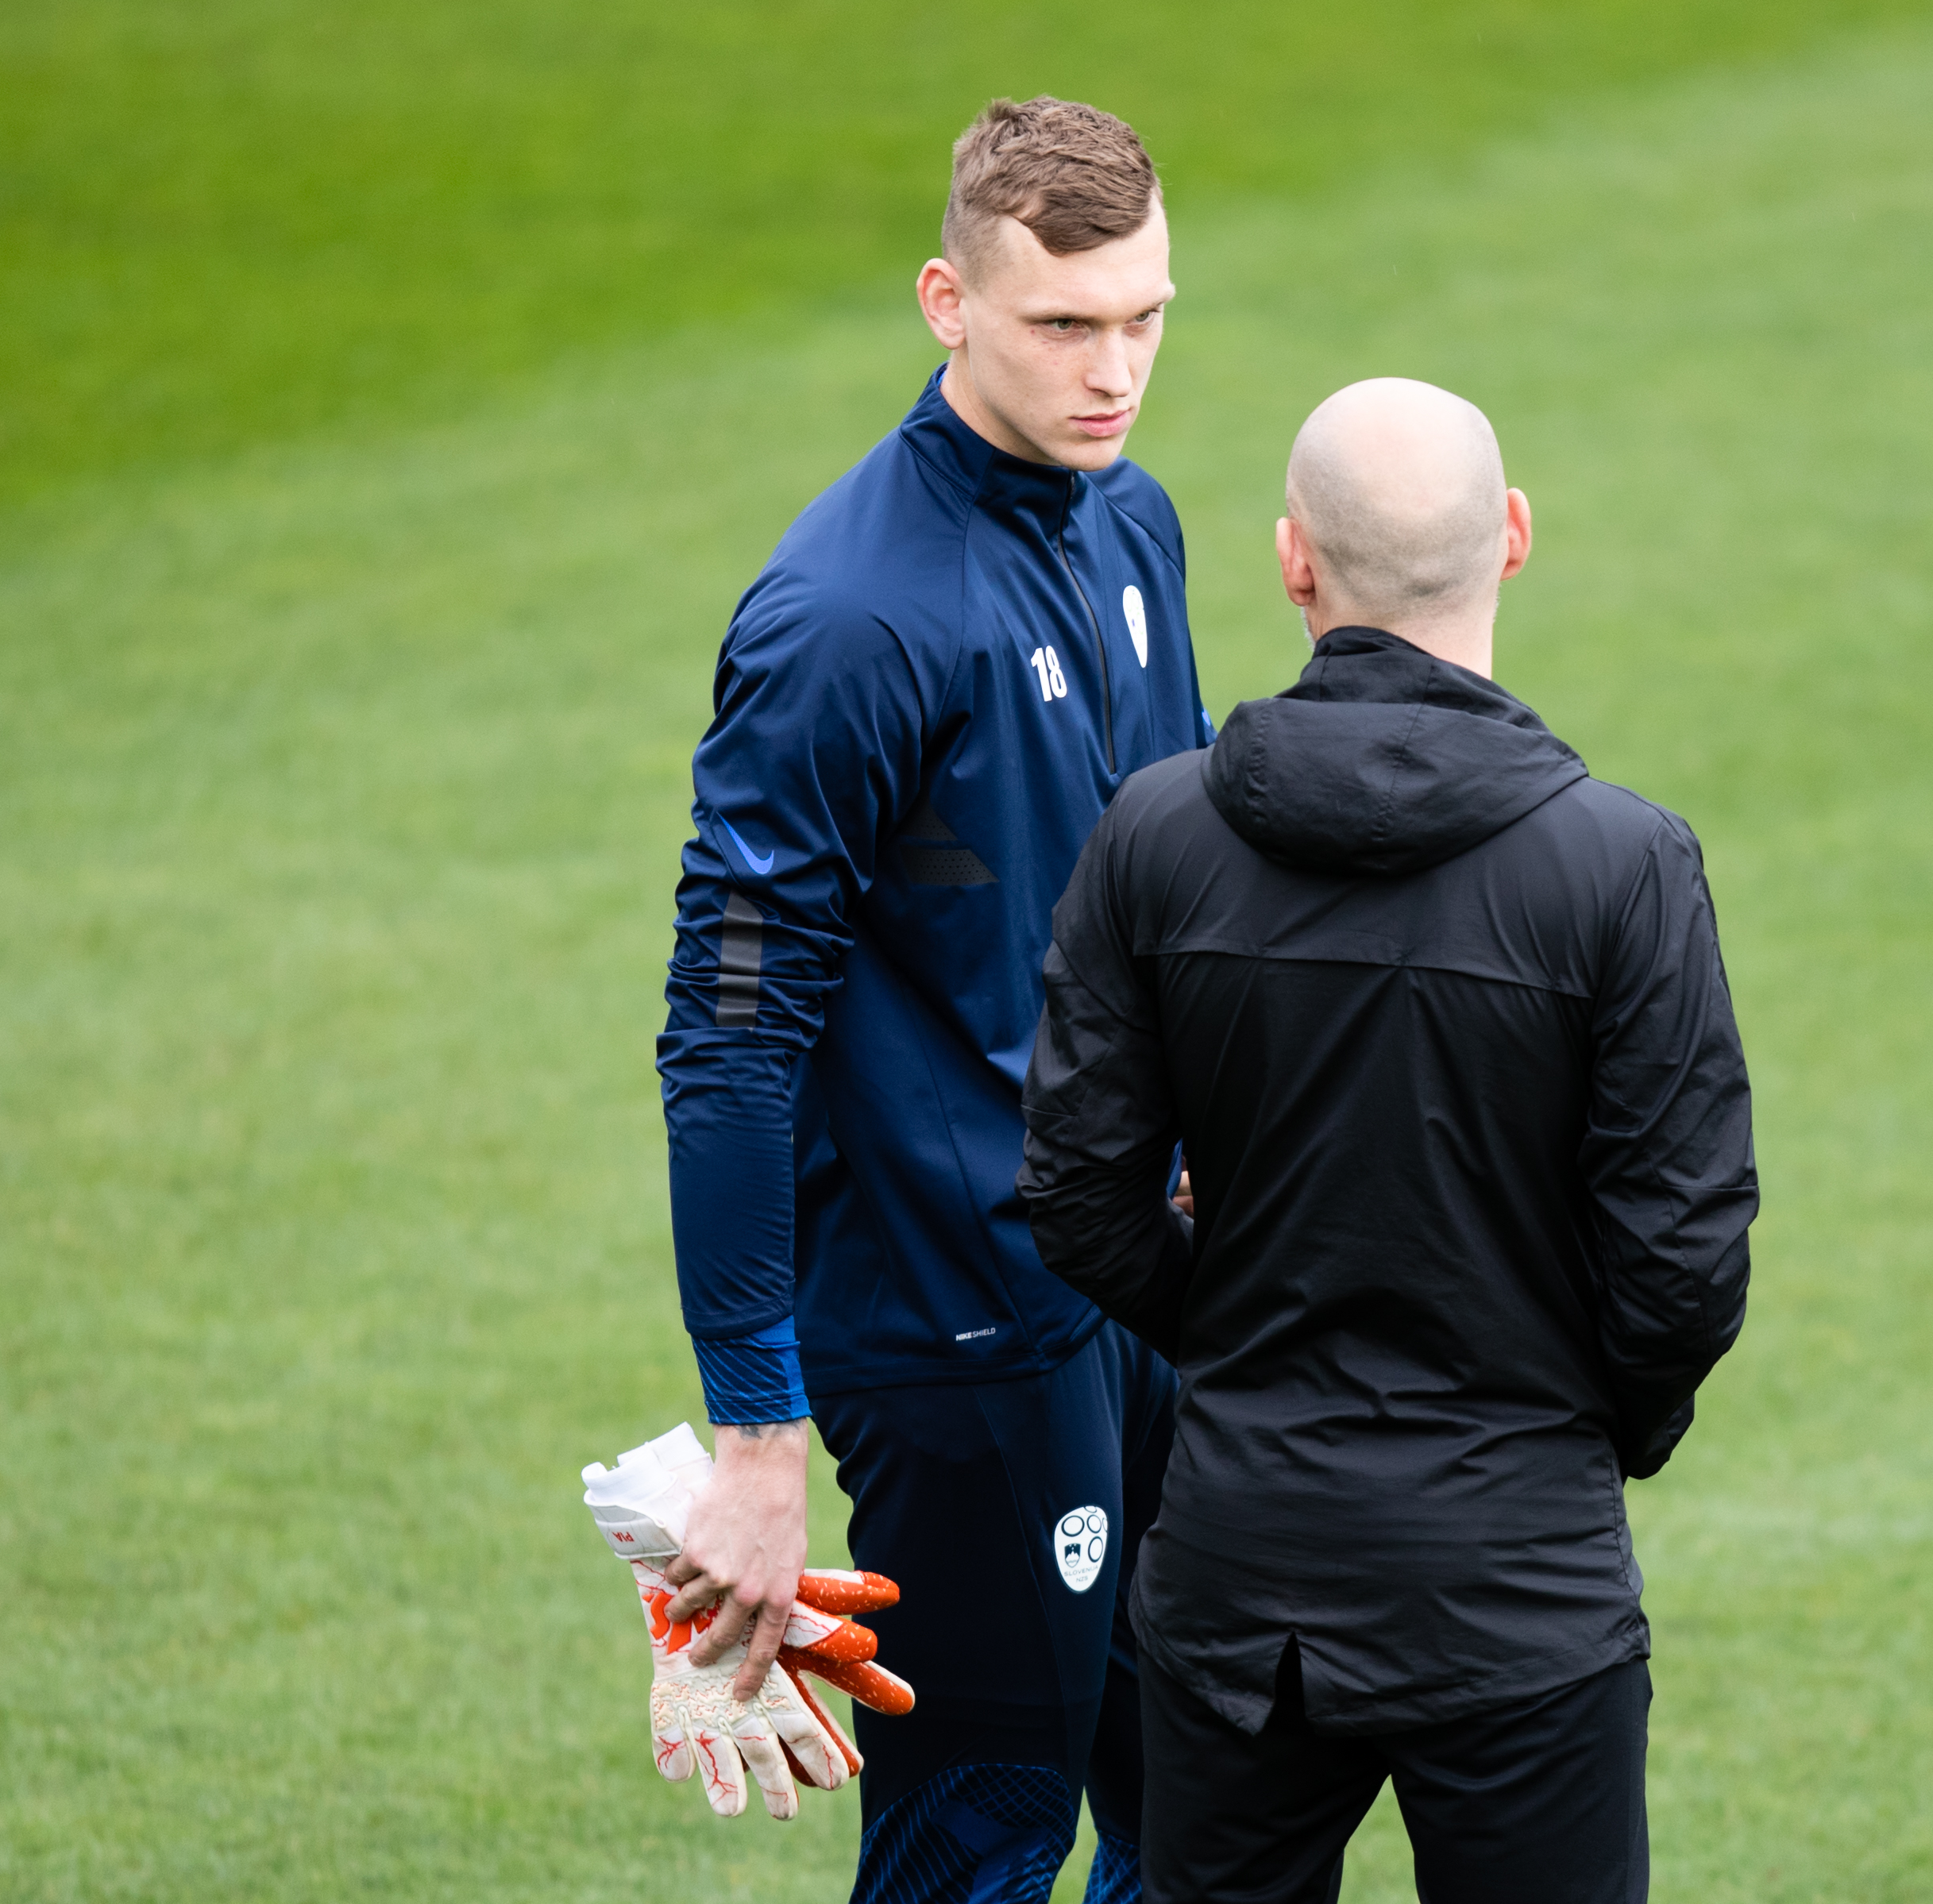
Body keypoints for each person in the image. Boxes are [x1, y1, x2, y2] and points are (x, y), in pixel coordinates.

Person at [1020, 378, 1759, 1902]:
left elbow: (1081, 1196)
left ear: (1293, 560)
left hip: (1239, 1570)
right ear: (1513, 537)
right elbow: (1683, 1263)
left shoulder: (1154, 836)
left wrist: (1232, 1331)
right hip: (1519, 1582)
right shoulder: (1623, 865)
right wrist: (1584, 1429)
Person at [650, 97, 1207, 1903]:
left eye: (1143, 317)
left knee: (1215, 1824)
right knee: (978, 1851)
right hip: (960, 1334)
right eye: (1063, 324)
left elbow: (1166, 902)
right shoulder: (847, 619)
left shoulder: (1134, 527)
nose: (1113, 370)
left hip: (1135, 1292)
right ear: (946, 303)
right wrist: (754, 1436)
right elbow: (730, 1028)